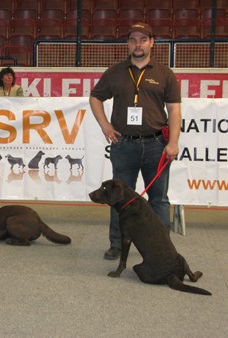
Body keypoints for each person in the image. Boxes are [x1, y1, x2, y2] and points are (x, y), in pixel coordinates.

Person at [89, 22, 182, 260]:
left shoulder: (165, 73)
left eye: (143, 39)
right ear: (128, 44)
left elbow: (173, 110)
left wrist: (173, 142)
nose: (137, 44)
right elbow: (95, 98)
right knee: (117, 198)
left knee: (159, 198)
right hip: (123, 145)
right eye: (133, 40)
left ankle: (162, 245)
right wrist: (105, 125)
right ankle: (117, 244)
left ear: (152, 42)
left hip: (156, 146)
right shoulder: (115, 72)